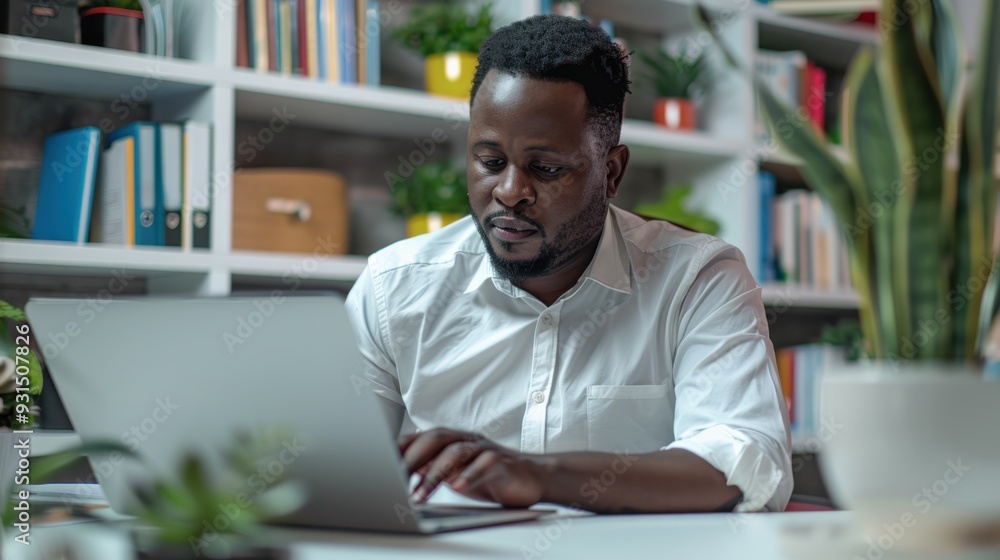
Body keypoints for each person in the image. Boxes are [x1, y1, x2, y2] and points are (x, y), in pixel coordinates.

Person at [346, 14, 792, 513]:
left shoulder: (697, 280)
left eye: (547, 168)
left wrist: (540, 475)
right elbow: (331, 467)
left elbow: (747, 459)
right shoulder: (393, 287)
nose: (510, 192)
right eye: (490, 162)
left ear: (612, 171)